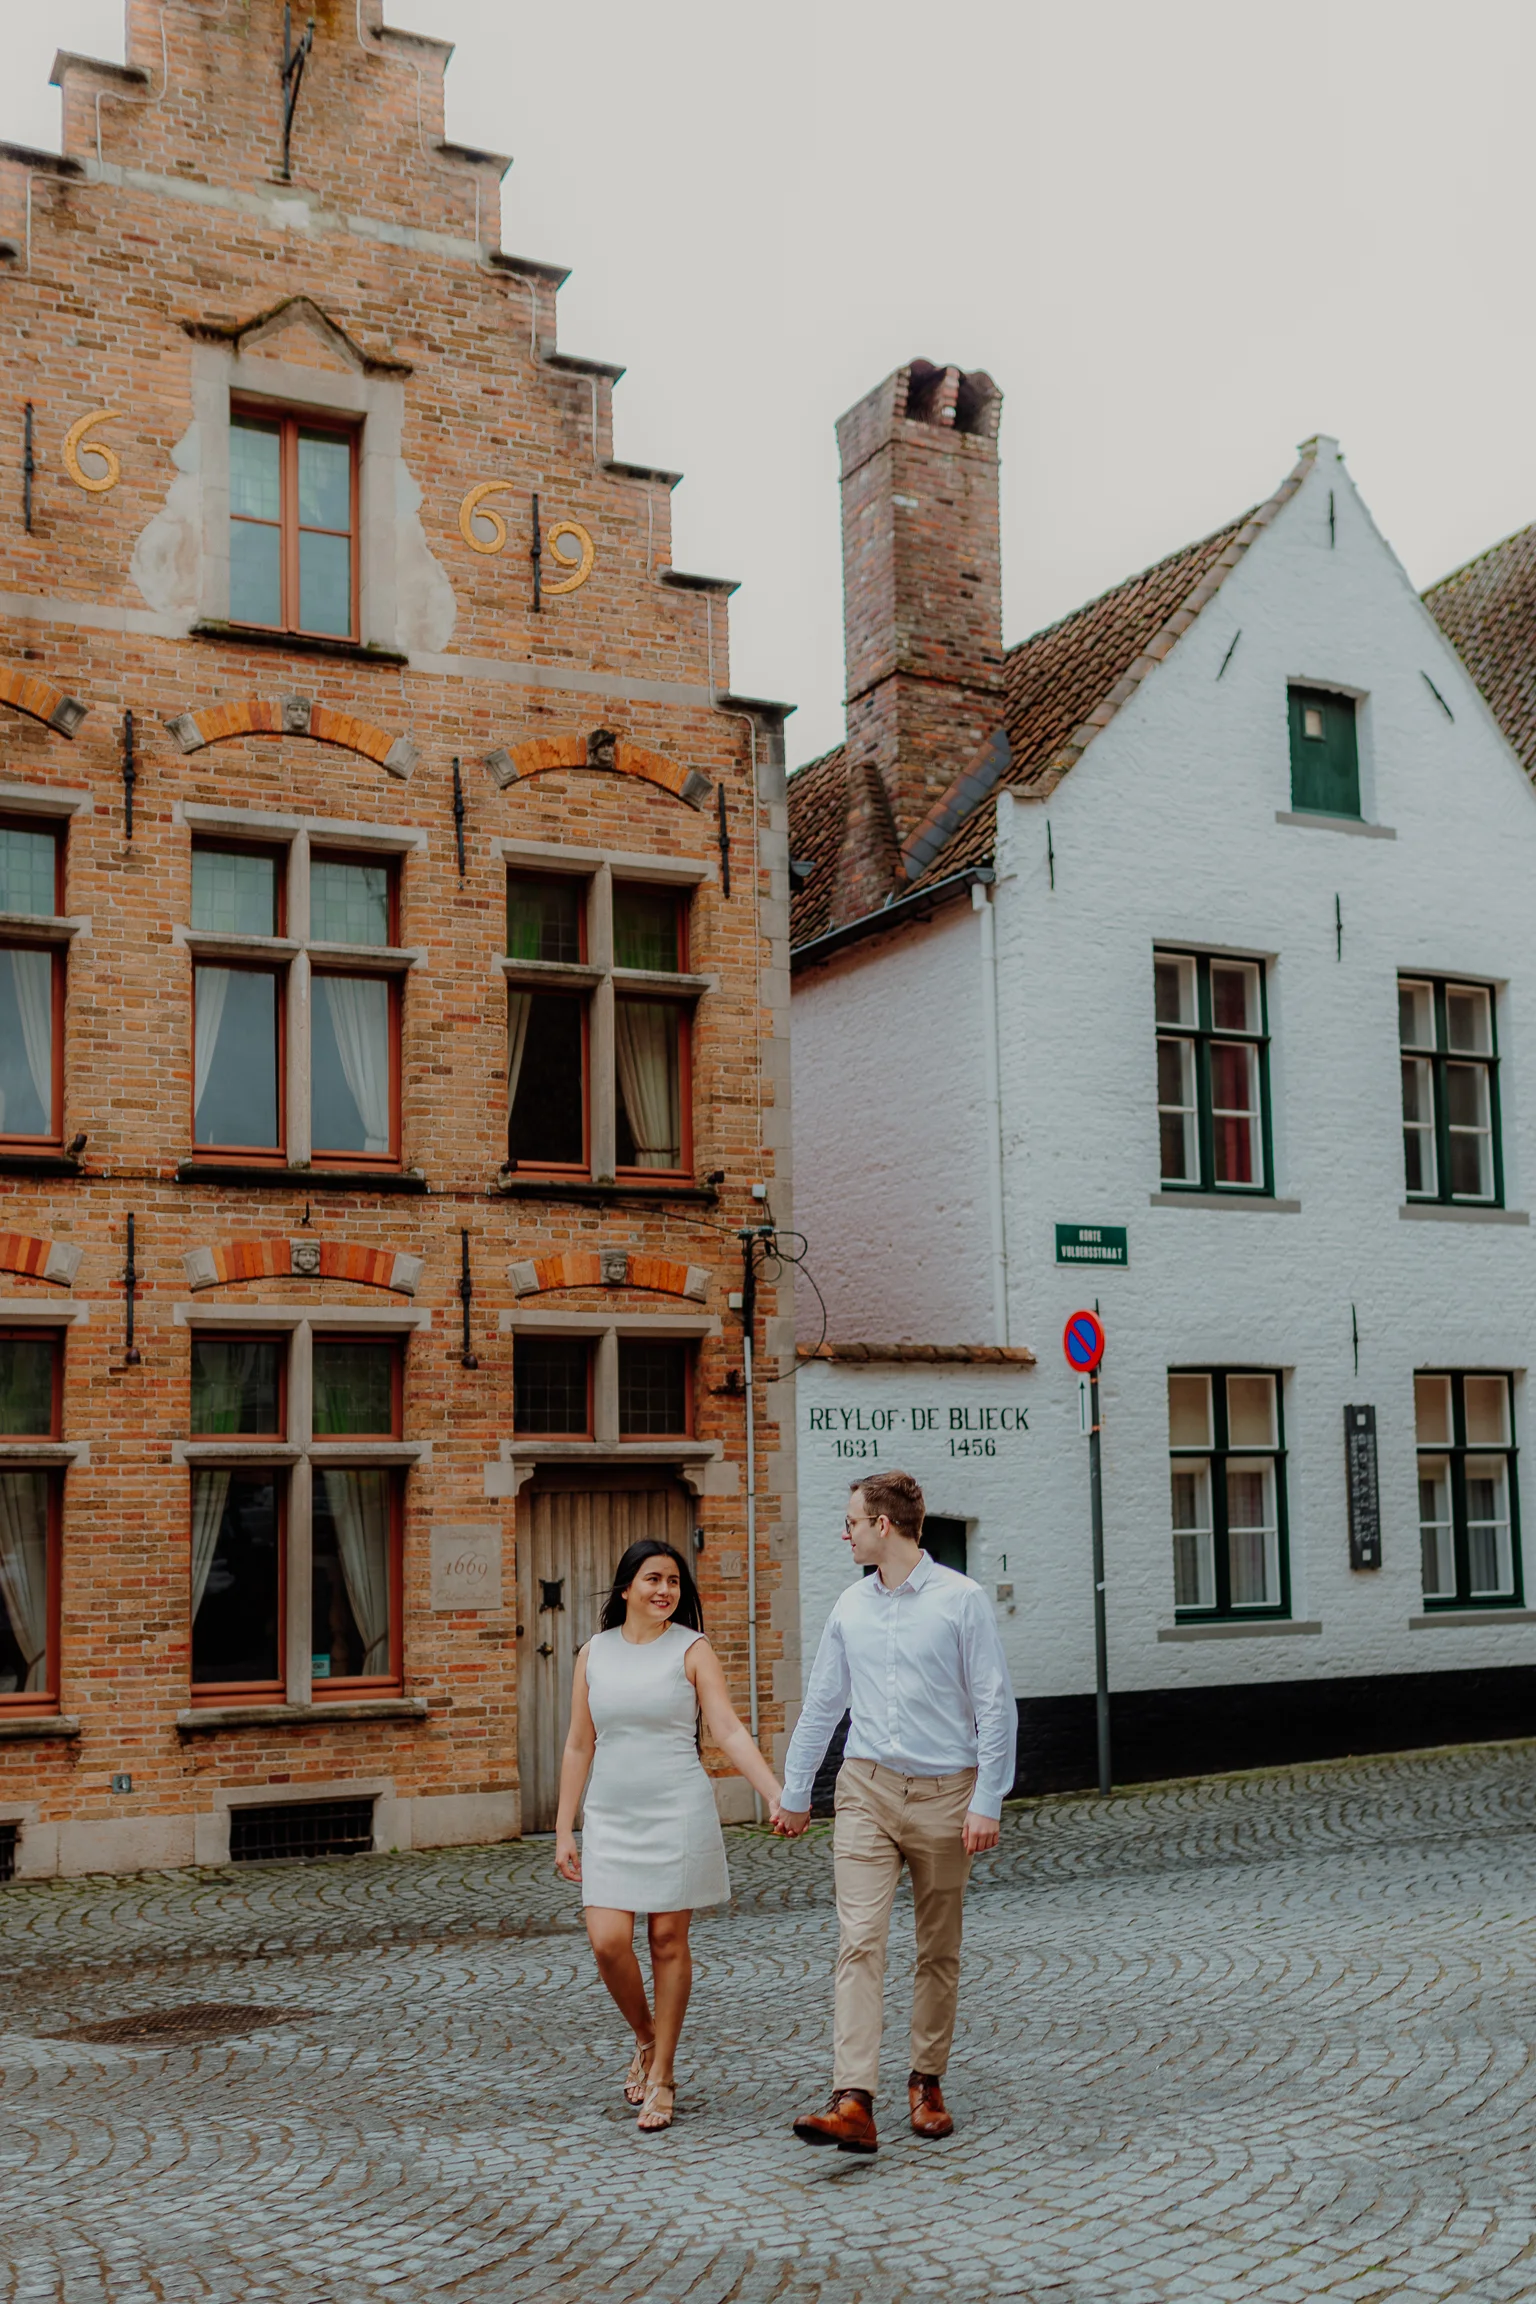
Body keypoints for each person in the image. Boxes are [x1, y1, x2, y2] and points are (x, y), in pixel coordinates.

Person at [774, 1470, 1017, 2153]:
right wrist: (797, 1793)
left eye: (851, 1520)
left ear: (884, 1525)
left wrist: (986, 1800)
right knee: (859, 1940)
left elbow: (995, 1704)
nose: (843, 1531)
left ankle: (926, 2081)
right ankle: (853, 2098)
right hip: (866, 1789)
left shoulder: (962, 1601)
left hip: (947, 1794)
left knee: (937, 1948)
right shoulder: (849, 1607)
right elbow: (824, 1703)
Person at [555, 1536, 783, 2132]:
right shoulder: (592, 1654)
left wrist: (775, 1792)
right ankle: (647, 2037)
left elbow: (729, 1730)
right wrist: (563, 1827)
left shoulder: (694, 1649)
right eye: (653, 1579)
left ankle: (663, 2076)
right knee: (607, 1941)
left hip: (677, 1809)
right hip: (610, 1813)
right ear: (626, 1587)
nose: (665, 1591)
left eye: (674, 1583)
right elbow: (580, 1743)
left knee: (666, 1941)